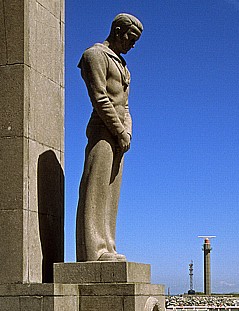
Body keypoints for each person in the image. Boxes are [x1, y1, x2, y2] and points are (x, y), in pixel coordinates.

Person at [75, 13, 143, 262]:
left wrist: (127, 133)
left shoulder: (123, 66)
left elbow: (125, 106)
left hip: (118, 136)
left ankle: (109, 246)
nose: (132, 44)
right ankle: (95, 251)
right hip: (103, 130)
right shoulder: (94, 55)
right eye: (130, 37)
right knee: (96, 189)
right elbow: (100, 98)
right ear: (117, 30)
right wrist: (118, 130)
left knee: (111, 192)